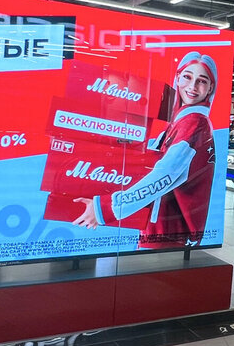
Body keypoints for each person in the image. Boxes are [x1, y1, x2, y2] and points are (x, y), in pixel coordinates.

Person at [71, 51, 217, 249]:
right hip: (162, 231)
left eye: (202, 81)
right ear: (177, 78)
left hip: (168, 235)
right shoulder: (180, 122)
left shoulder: (194, 123)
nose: (192, 86)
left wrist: (105, 209)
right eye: (187, 77)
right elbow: (151, 163)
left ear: (210, 88)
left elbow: (164, 175)